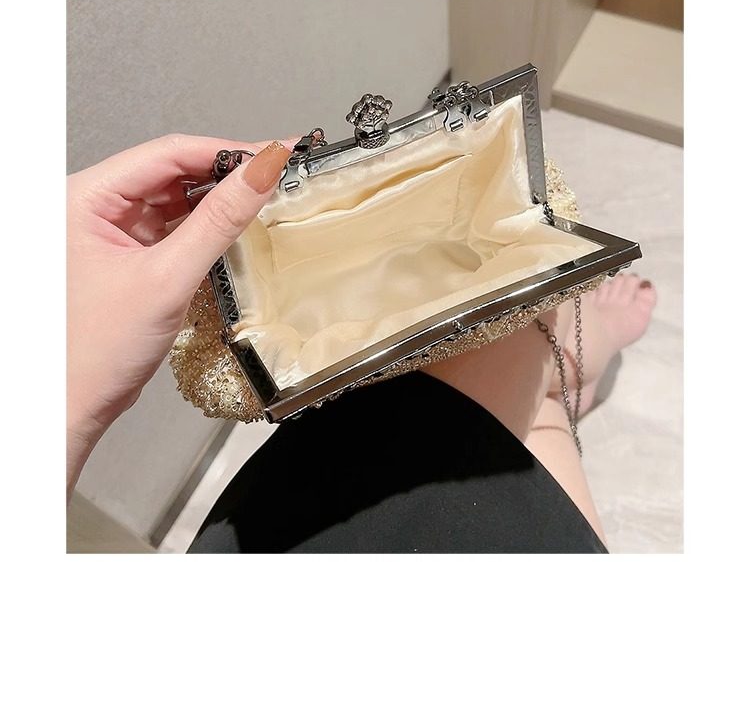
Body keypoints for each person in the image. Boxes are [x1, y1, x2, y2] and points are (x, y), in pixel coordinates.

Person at [67, 134, 655, 552]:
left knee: (466, 419)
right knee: (522, 330)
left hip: (292, 529)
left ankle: (556, 392)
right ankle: (562, 369)